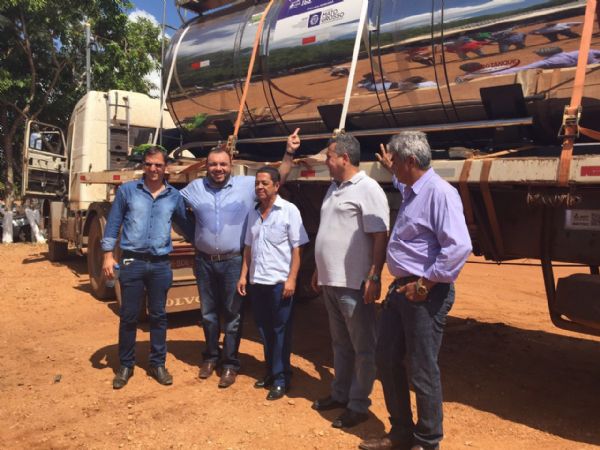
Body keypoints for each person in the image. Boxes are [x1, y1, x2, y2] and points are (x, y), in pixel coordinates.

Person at [359, 131, 472, 450]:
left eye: (395, 161)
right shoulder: (411, 187)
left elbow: (459, 246)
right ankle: (400, 433)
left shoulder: (440, 193)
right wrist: (387, 166)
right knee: (387, 358)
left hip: (425, 292)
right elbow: (400, 180)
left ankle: (427, 440)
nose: (391, 165)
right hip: (401, 289)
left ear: (410, 161)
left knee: (422, 367)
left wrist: (426, 283)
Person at [180, 131, 300, 388]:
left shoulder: (247, 186)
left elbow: (281, 176)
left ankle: (230, 363)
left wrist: (289, 152)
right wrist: (193, 235)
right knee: (209, 314)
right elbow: (175, 208)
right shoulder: (194, 188)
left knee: (233, 315)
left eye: (223, 164)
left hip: (233, 260)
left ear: (231, 165)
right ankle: (211, 357)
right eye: (213, 164)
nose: (218, 169)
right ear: (206, 166)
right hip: (203, 261)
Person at [310, 132, 390, 429]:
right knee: (340, 344)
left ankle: (359, 405)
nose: (326, 162)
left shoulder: (368, 189)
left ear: (344, 158)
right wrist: (320, 268)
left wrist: (374, 275)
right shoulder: (334, 188)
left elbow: (379, 234)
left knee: (363, 348)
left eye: (329, 157)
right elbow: (330, 231)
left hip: (355, 283)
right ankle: (340, 394)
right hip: (331, 281)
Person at [102, 146, 192, 390]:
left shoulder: (174, 196)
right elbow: (113, 222)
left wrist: (206, 244)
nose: (153, 169)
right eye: (149, 164)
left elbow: (185, 225)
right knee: (129, 316)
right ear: (143, 165)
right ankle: (126, 365)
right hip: (132, 261)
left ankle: (157, 363)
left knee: (159, 316)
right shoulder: (128, 191)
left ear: (166, 168)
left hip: (161, 264)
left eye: (158, 165)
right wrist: (108, 255)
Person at [236, 166, 309, 400]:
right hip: (258, 282)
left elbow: (298, 248)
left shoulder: (289, 211)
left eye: (265, 183)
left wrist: (292, 279)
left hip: (280, 284)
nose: (259, 187)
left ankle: (281, 378)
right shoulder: (253, 213)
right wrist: (243, 275)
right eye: (257, 183)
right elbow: (248, 247)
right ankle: (271, 371)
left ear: (277, 186)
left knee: (281, 332)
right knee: (264, 331)